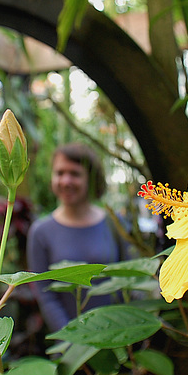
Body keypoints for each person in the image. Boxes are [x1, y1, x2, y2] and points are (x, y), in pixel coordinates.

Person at [27, 142, 128, 332]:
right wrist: (73, 346)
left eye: (75, 174)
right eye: (60, 173)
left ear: (91, 178)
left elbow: (130, 280)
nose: (66, 181)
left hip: (121, 339)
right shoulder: (40, 232)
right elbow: (46, 297)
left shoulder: (115, 223)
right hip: (72, 350)